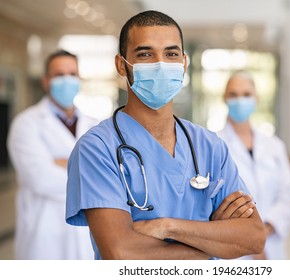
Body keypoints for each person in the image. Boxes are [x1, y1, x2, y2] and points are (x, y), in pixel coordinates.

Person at [65, 10, 265, 260]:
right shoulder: (97, 148)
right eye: (145, 54)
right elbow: (120, 252)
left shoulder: (209, 146)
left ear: (183, 63)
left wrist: (168, 226)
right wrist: (209, 245)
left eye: (170, 54)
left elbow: (253, 237)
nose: (160, 64)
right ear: (121, 65)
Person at [7, 50, 98, 260]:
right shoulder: (26, 124)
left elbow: (114, 175)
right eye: (59, 75)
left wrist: (63, 164)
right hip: (44, 237)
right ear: (46, 81)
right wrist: (91, 171)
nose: (67, 80)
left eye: (72, 74)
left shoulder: (95, 125)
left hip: (87, 237)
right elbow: (41, 179)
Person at [217, 71, 290, 259]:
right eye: (233, 94)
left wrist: (264, 229)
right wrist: (249, 235)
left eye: (246, 95)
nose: (240, 100)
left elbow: (288, 195)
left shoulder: (274, 146)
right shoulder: (214, 144)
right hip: (233, 247)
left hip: (272, 243)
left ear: (256, 99)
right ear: (224, 98)